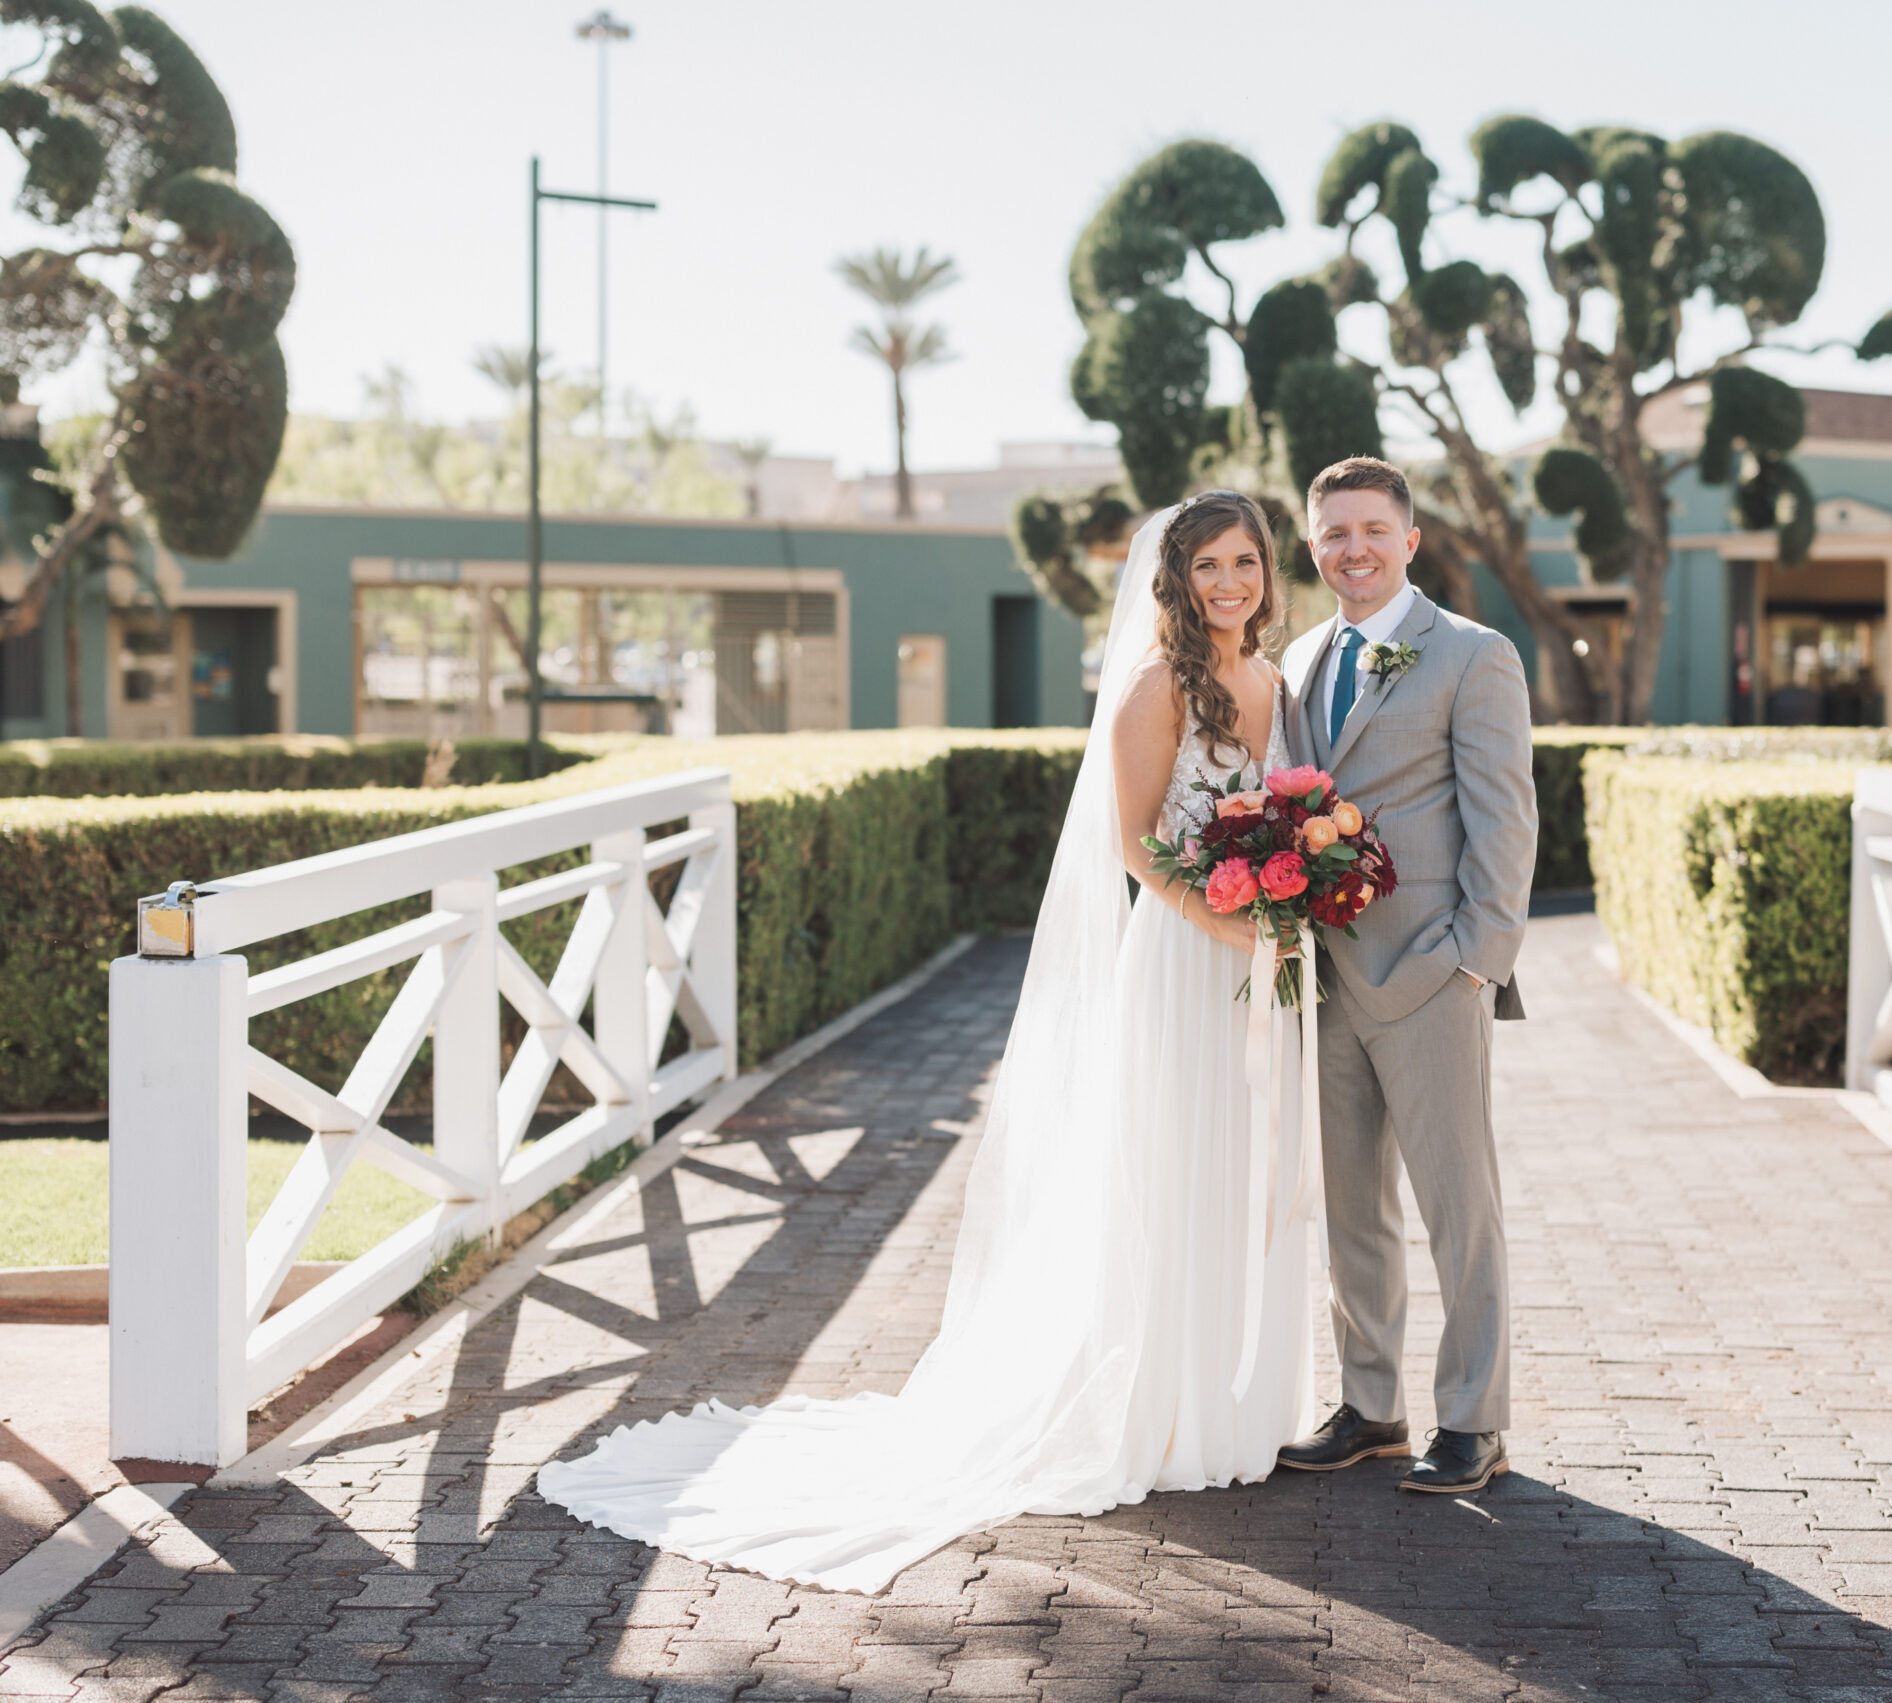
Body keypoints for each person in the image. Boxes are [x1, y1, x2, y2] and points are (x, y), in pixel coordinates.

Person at [536, 491, 1319, 1593]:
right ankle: (1165, 1409)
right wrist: (1228, 921)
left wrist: (1287, 904)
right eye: (1209, 564)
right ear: (1176, 578)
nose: (1230, 581)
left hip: (1260, 959)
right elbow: (1139, 848)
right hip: (1187, 961)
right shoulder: (1155, 687)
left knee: (1242, 1174)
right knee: (1173, 1172)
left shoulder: (1273, 682)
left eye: (1246, 560)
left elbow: (1287, 812)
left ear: (1267, 572)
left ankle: (1234, 1403)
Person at [1275, 457, 1536, 1496]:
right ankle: (1371, 1405)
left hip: (1433, 971)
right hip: (1325, 974)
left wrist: (1479, 957)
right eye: (1334, 532)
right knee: (1351, 1209)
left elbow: (1505, 819)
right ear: (1313, 544)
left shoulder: (1472, 653)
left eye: (1373, 528)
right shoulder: (1298, 655)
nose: (1355, 548)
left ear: (1411, 538)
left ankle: (1473, 1418)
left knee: (1457, 1206)